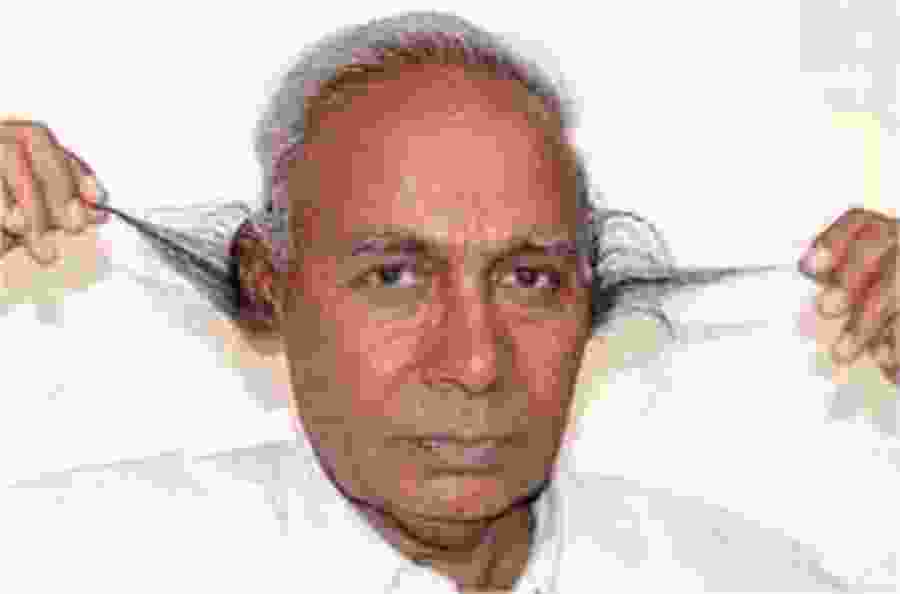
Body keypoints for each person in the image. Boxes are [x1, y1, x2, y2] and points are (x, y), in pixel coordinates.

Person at [2, 11, 897, 593]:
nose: (475, 364)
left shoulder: (755, 579)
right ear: (271, 286)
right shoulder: (71, 560)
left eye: (529, 280)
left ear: (590, 296)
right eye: (395, 276)